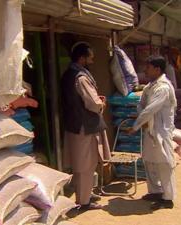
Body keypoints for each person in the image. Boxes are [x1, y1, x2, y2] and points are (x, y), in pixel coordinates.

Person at [61, 42, 110, 210]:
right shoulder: (80, 77)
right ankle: (83, 201)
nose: (92, 60)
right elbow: (93, 104)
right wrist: (102, 104)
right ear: (82, 59)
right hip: (84, 126)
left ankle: (85, 194)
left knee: (81, 164)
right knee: (86, 165)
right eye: (90, 57)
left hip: (75, 124)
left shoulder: (69, 74)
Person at [128, 56, 177, 210]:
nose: (145, 70)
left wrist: (136, 126)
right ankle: (155, 191)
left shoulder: (162, 87)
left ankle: (167, 197)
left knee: (164, 164)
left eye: (148, 67)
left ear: (157, 69)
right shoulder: (150, 86)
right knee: (149, 161)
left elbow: (151, 109)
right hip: (150, 130)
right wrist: (143, 121)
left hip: (161, 132)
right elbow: (141, 105)